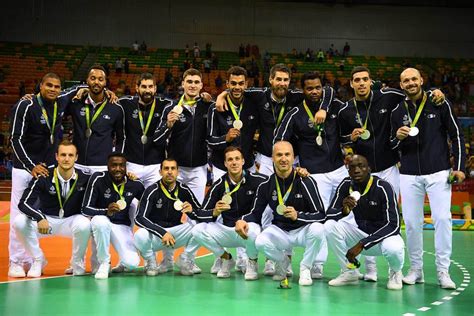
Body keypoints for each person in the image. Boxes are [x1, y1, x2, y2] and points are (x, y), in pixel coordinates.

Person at [391, 67, 465, 289]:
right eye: (406, 80)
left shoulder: (439, 103)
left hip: (438, 171)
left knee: (442, 219)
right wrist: (397, 137)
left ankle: (443, 271)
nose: (411, 83)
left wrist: (459, 167)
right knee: (412, 223)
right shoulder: (397, 112)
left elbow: (456, 135)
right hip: (409, 173)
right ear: (401, 85)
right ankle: (416, 270)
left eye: (414, 79)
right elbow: (391, 145)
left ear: (422, 80)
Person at [274, 71, 347, 279]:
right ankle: (317, 264)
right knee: (320, 222)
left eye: (317, 88)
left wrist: (324, 107)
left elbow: (333, 92)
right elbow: (280, 140)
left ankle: (356, 266)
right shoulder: (295, 113)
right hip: (315, 175)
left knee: (350, 217)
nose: (314, 91)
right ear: (302, 90)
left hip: (339, 170)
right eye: (309, 88)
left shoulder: (333, 105)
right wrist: (293, 165)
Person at [8, 73, 81, 277]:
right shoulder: (26, 106)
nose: (53, 89)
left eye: (57, 86)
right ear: (40, 86)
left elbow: (76, 89)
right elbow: (15, 139)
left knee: (41, 214)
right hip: (25, 169)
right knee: (18, 216)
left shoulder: (61, 100)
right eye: (48, 85)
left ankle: (34, 258)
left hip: (48, 169)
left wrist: (103, 91)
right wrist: (31, 166)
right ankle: (16, 261)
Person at [235, 141, 326, 286]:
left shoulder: (305, 180)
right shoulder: (266, 185)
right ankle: (282, 260)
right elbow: (255, 213)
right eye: (279, 155)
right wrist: (242, 220)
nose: (283, 158)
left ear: (293, 158)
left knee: (318, 229)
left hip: (302, 230)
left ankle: (305, 268)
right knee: (260, 241)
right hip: (280, 231)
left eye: (287, 154)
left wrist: (299, 216)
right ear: (272, 158)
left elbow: (321, 215)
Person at [325, 155, 405, 290]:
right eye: (352, 167)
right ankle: (349, 272)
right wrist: (343, 210)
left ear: (369, 169)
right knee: (329, 226)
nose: (357, 170)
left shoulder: (383, 187)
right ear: (348, 170)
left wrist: (362, 244)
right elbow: (329, 214)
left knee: (394, 248)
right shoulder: (346, 184)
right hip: (360, 234)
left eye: (361, 166)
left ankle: (395, 271)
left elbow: (394, 225)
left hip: (383, 239)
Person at [13, 141, 91, 277]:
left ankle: (77, 262)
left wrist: (129, 176)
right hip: (47, 221)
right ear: (56, 156)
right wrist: (39, 217)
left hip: (70, 222)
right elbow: (23, 203)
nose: (66, 159)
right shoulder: (44, 175)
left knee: (85, 224)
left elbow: (106, 181)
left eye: (70, 155)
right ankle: (38, 260)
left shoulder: (85, 178)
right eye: (63, 155)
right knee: (19, 222)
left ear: (76, 158)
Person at [192, 147, 268, 280]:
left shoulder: (258, 180)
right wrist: (214, 212)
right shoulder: (219, 185)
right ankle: (226, 258)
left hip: (247, 229)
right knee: (197, 230)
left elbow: (280, 180)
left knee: (253, 230)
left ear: (243, 161)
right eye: (230, 160)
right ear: (225, 163)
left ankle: (252, 262)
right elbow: (201, 213)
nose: (234, 162)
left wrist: (298, 173)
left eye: (237, 159)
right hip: (226, 231)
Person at [134, 158, 208, 276]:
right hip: (157, 236)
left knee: (201, 226)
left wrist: (192, 211)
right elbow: (139, 217)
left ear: (178, 172)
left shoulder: (184, 189)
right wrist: (162, 232)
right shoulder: (152, 190)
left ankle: (185, 259)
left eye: (173, 168)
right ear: (160, 172)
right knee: (140, 235)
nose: (169, 172)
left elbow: (201, 213)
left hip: (175, 235)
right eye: (166, 168)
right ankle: (151, 261)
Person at [153, 68, 212, 204]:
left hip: (199, 168)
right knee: (169, 209)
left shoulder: (208, 107)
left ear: (201, 85)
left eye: (196, 82)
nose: (193, 85)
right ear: (183, 84)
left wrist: (218, 97)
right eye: (189, 81)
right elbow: (157, 139)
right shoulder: (171, 108)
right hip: (176, 168)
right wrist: (168, 125)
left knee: (196, 209)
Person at [82, 153, 145, 279]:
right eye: (114, 165)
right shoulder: (98, 178)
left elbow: (148, 203)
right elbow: (85, 209)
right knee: (100, 222)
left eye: (121, 165)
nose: (118, 169)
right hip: (102, 221)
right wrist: (106, 211)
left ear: (126, 167)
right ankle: (104, 263)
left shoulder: (134, 183)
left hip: (122, 225)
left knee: (132, 263)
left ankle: (123, 262)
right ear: (107, 166)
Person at [66, 65, 125, 175]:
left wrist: (114, 160)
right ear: (87, 80)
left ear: (105, 83)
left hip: (102, 166)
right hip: (77, 164)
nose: (96, 82)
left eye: (100, 79)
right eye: (93, 78)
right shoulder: (76, 102)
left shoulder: (115, 108)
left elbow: (120, 139)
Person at [120, 73, 171, 187]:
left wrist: (202, 97)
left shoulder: (165, 104)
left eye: (150, 86)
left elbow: (186, 102)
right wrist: (83, 89)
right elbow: (105, 98)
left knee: (154, 201)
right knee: (130, 203)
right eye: (143, 86)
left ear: (155, 88)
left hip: (155, 165)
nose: (147, 90)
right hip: (131, 164)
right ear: (136, 88)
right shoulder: (125, 103)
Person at [207, 66, 259, 181]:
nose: (237, 87)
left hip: (247, 165)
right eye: (233, 83)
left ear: (246, 84)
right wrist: (226, 138)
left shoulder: (254, 106)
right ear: (227, 84)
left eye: (241, 84)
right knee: (221, 199)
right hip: (222, 166)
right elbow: (210, 140)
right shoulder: (215, 108)